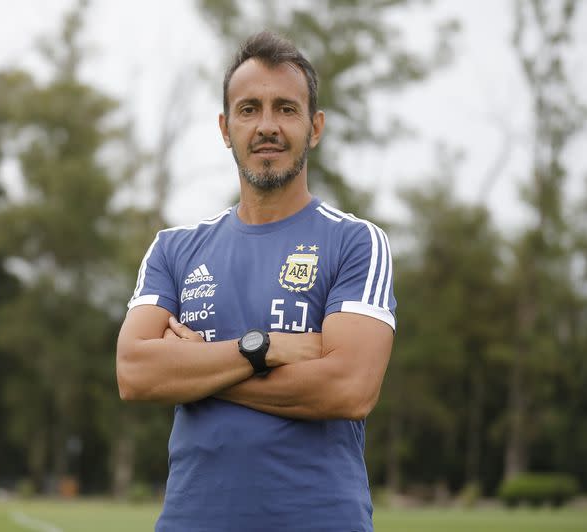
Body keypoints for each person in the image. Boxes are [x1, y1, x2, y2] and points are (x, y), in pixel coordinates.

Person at [116, 30, 396, 532]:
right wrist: (264, 349)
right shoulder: (173, 249)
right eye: (249, 109)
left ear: (316, 127)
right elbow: (135, 373)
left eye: (286, 109)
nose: (267, 125)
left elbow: (349, 388)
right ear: (226, 128)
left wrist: (196, 369)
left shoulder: (357, 242)